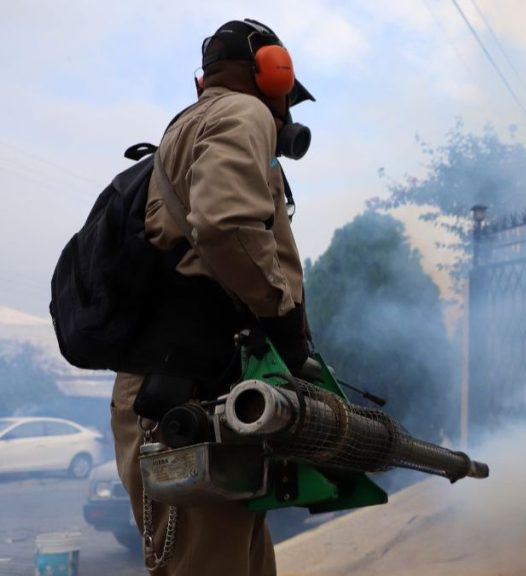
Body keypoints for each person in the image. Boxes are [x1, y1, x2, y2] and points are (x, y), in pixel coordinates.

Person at [109, 19, 315, 575]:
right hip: (184, 399)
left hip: (194, 393)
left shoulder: (198, 123)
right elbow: (225, 226)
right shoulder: (242, 113)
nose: (287, 114)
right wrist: (283, 319)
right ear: (272, 73)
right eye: (288, 97)